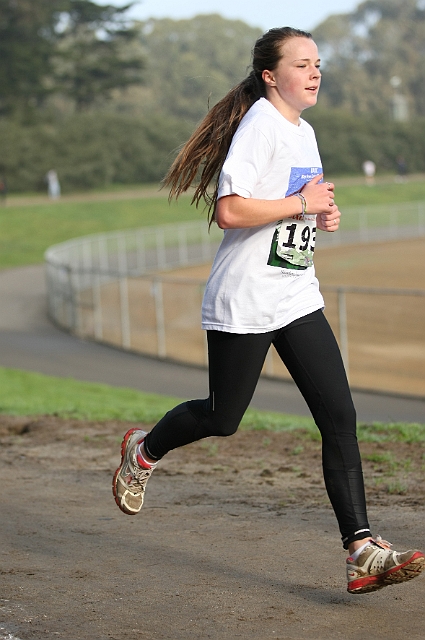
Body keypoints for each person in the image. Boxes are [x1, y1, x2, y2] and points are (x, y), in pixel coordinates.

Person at [112, 27, 424, 594]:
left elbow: (292, 208)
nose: (314, 72)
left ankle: (360, 550)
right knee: (222, 418)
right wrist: (300, 204)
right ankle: (144, 449)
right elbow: (230, 211)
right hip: (246, 298)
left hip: (296, 293)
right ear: (269, 75)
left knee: (340, 417)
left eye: (318, 63)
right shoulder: (259, 127)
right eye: (302, 64)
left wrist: (316, 217)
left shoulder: (304, 132)